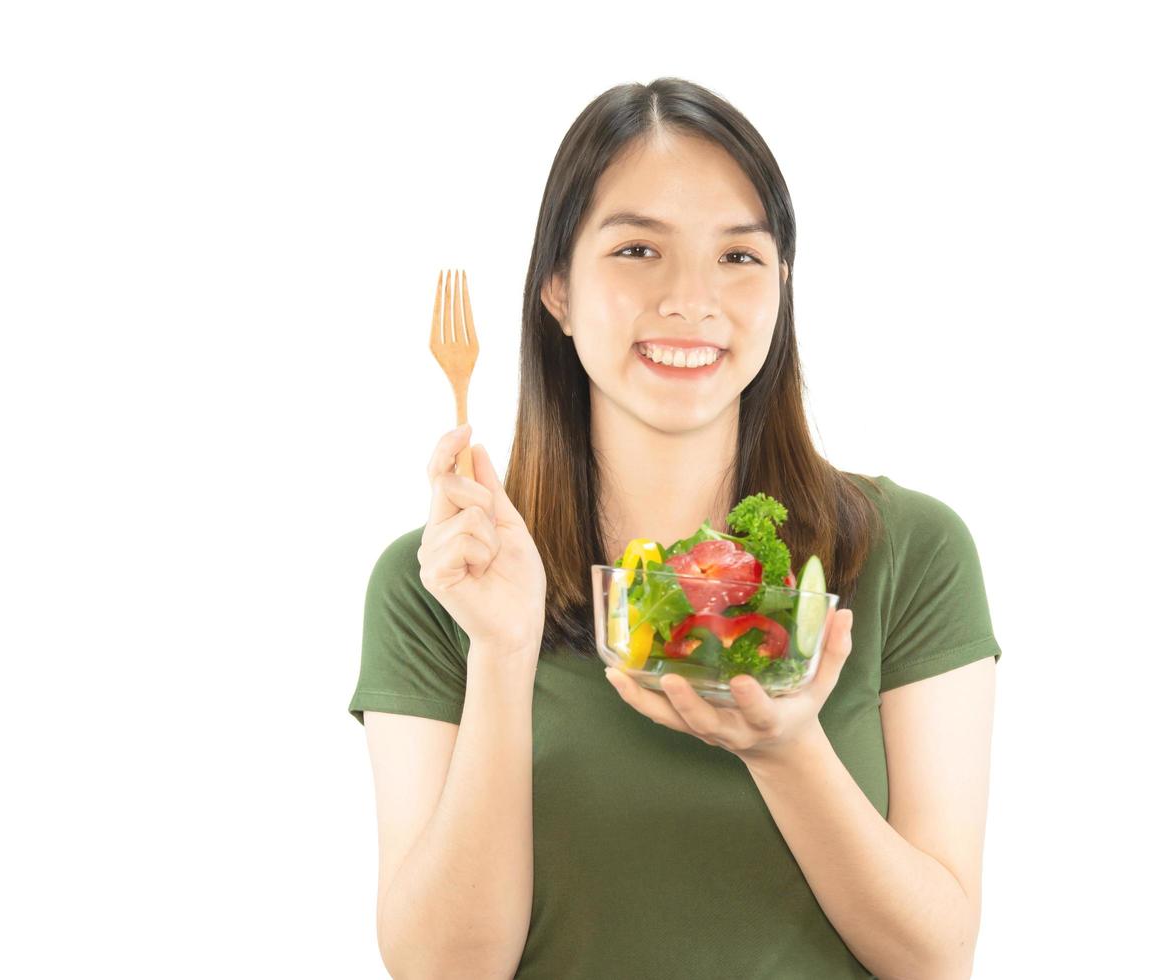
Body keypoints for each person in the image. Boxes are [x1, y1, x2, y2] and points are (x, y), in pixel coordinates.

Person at [348, 78, 999, 979]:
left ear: (781, 290)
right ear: (558, 291)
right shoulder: (443, 581)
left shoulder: (912, 553)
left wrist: (787, 751)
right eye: (637, 248)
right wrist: (500, 657)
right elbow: (445, 970)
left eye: (739, 257)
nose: (692, 299)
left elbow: (936, 958)